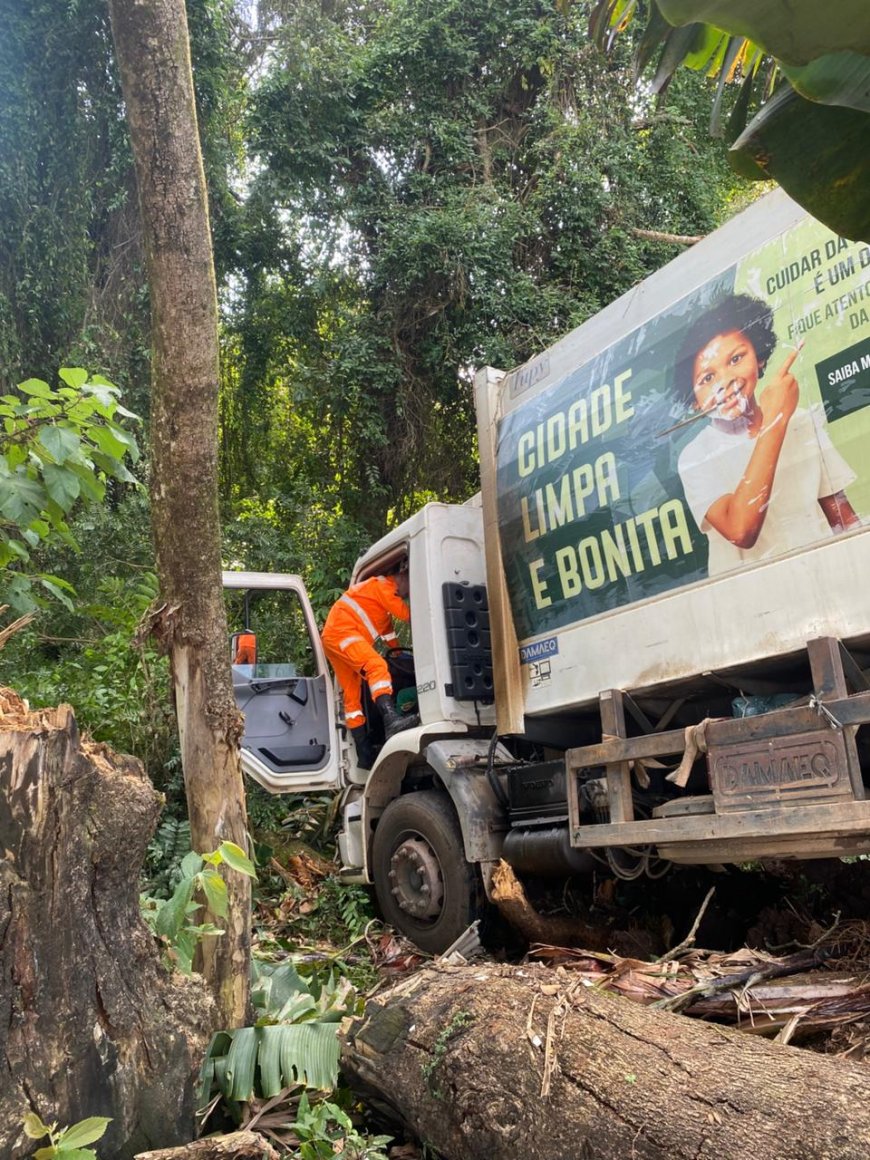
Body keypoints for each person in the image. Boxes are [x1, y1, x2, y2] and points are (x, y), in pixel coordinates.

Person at [675, 293, 860, 577]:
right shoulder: (695, 456)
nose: (725, 381)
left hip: (828, 579)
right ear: (695, 402)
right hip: (757, 598)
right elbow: (740, 529)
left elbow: (843, 518)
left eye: (736, 358)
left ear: (759, 358)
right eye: (707, 378)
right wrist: (775, 421)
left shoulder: (801, 421)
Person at [321, 565, 418, 768]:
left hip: (334, 637)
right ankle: (391, 720)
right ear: (403, 577)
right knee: (376, 666)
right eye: (408, 591)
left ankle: (364, 754)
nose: (406, 596)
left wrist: (398, 653)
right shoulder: (383, 587)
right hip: (343, 632)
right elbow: (409, 616)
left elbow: (389, 633)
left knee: (352, 696)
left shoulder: (378, 601)